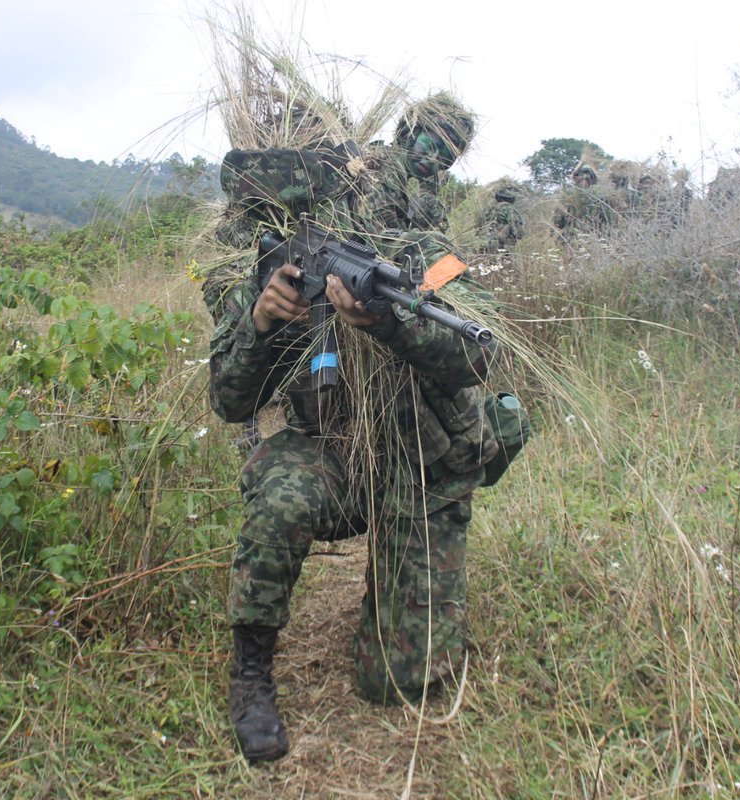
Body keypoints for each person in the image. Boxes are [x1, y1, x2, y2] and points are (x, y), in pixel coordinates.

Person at [204, 92, 528, 763]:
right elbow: (231, 402)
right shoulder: (272, 267)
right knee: (283, 497)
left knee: (399, 683)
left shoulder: (429, 252)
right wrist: (264, 323)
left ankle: (423, 568)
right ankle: (250, 672)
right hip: (335, 457)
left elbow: (477, 349)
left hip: (418, 464)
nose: (433, 156)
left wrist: (386, 320)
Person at [475, 178, 525, 260]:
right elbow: (518, 232)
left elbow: (478, 227)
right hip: (500, 249)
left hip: (482, 246)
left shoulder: (487, 209)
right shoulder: (510, 209)